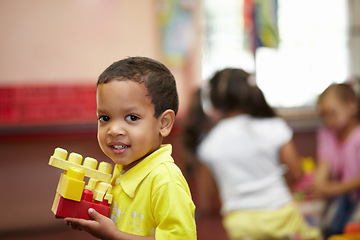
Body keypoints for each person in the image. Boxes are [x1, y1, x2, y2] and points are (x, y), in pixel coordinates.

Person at [65, 57, 197, 240]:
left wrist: (114, 235)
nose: (114, 130)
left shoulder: (165, 181)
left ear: (164, 123)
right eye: (104, 118)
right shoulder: (123, 170)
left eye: (132, 118)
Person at [184, 68, 321, 240]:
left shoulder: (208, 145)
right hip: (281, 215)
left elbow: (207, 197)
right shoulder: (274, 127)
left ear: (213, 101)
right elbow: (296, 172)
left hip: (240, 223)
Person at [311, 83, 360, 238]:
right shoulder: (327, 135)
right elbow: (321, 176)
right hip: (342, 198)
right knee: (328, 228)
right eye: (324, 115)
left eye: (333, 113)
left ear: (352, 106)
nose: (328, 120)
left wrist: (334, 188)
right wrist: (322, 185)